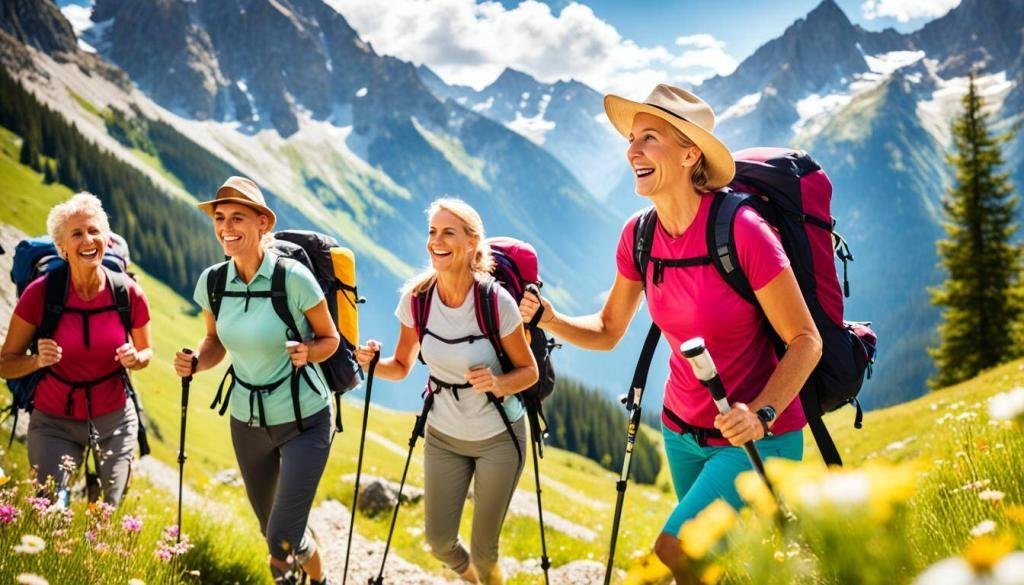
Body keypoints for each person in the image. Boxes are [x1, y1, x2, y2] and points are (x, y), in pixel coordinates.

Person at [519, 85, 823, 584]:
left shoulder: (742, 230)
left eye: (649, 138)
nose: (631, 150)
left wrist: (761, 413)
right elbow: (608, 329)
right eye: (632, 138)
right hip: (681, 434)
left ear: (690, 153)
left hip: (755, 437)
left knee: (674, 549)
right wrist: (549, 318)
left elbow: (806, 340)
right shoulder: (639, 235)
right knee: (707, 569)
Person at [354, 198, 538, 585]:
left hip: (499, 437)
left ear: (472, 243)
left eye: (448, 233)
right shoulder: (417, 300)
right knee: (438, 542)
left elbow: (529, 372)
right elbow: (401, 367)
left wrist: (498, 383)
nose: (436, 241)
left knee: (485, 550)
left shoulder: (495, 302)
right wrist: (370, 362)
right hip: (442, 435)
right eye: (432, 232)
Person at [172, 176, 339, 585]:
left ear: (263, 223)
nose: (226, 227)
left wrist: (309, 352)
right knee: (277, 532)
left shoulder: (293, 277)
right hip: (246, 422)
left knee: (280, 535)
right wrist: (196, 361)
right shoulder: (212, 282)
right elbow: (214, 342)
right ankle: (316, 574)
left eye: (238, 218)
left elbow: (330, 339)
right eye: (220, 218)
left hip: (306, 419)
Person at [0, 192, 152, 506]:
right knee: (48, 508)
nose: (88, 240)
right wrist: (36, 361)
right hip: (54, 419)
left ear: (107, 240)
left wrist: (136, 359)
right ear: (62, 248)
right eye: (77, 233)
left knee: (111, 509)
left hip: (115, 418)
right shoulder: (40, 294)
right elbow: (4, 363)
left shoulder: (128, 292)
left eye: (95, 231)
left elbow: (146, 352)